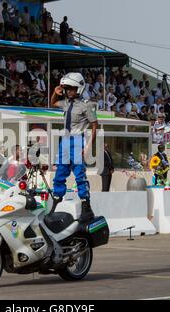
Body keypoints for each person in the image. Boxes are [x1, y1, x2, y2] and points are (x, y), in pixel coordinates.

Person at [50, 72, 98, 222]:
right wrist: (55, 92)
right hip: (64, 142)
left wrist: (88, 146)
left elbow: (95, 125)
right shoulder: (65, 102)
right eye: (67, 88)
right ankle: (55, 207)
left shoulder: (87, 104)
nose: (69, 91)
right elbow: (53, 103)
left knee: (80, 177)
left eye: (71, 88)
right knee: (59, 175)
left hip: (78, 141)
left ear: (78, 89)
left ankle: (86, 208)